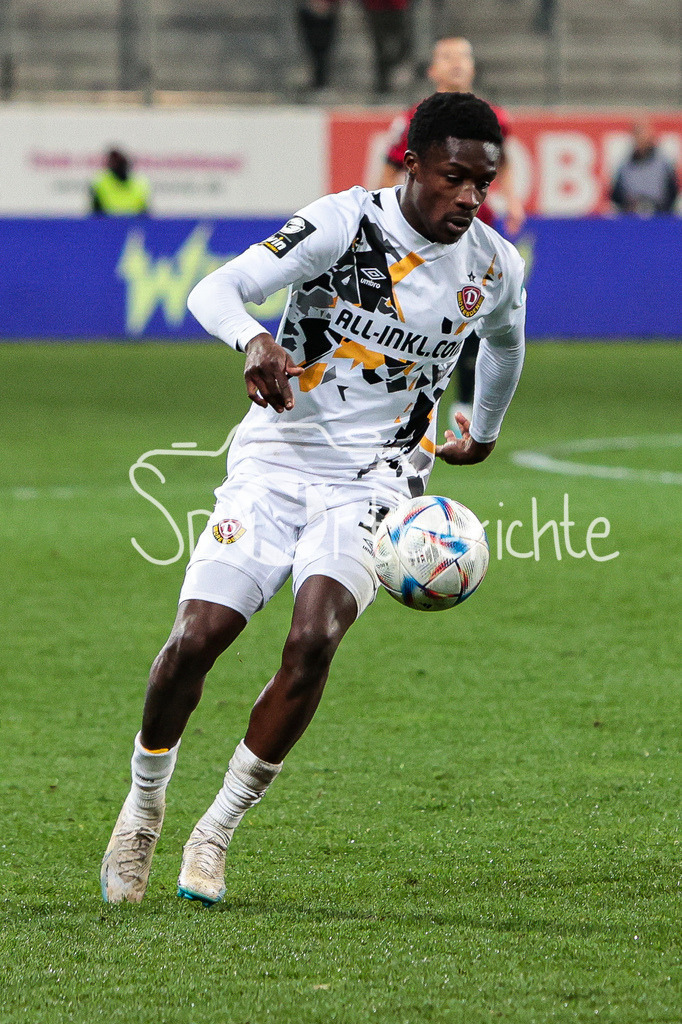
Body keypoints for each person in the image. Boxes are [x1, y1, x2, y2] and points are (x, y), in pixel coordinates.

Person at [100, 91, 526, 907]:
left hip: (377, 481)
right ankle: (144, 809)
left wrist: (487, 430)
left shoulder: (491, 266)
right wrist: (254, 337)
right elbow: (215, 289)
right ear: (413, 165)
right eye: (453, 179)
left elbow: (506, 343)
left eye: (483, 183)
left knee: (314, 637)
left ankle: (216, 831)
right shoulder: (341, 227)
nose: (469, 200)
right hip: (276, 456)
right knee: (199, 637)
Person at [378, 37, 525, 429]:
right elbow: (391, 171)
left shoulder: (494, 118)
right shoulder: (415, 119)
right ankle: (405, 394)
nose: (458, 63)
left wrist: (511, 201)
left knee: (471, 307)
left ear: (474, 67)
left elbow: (504, 163)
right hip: (422, 233)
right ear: (433, 70)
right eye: (448, 57)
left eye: (464, 57)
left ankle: (465, 398)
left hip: (475, 226)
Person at [610, 120, 679, 215]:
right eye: (637, 134)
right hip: (632, 218)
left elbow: (672, 192)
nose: (640, 139)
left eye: (643, 134)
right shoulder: (625, 166)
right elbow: (616, 195)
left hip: (658, 217)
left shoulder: (663, 163)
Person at [90, 148, 150, 216]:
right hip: (108, 224)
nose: (118, 167)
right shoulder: (100, 183)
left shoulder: (141, 184)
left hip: (134, 225)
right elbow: (96, 215)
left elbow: (145, 215)